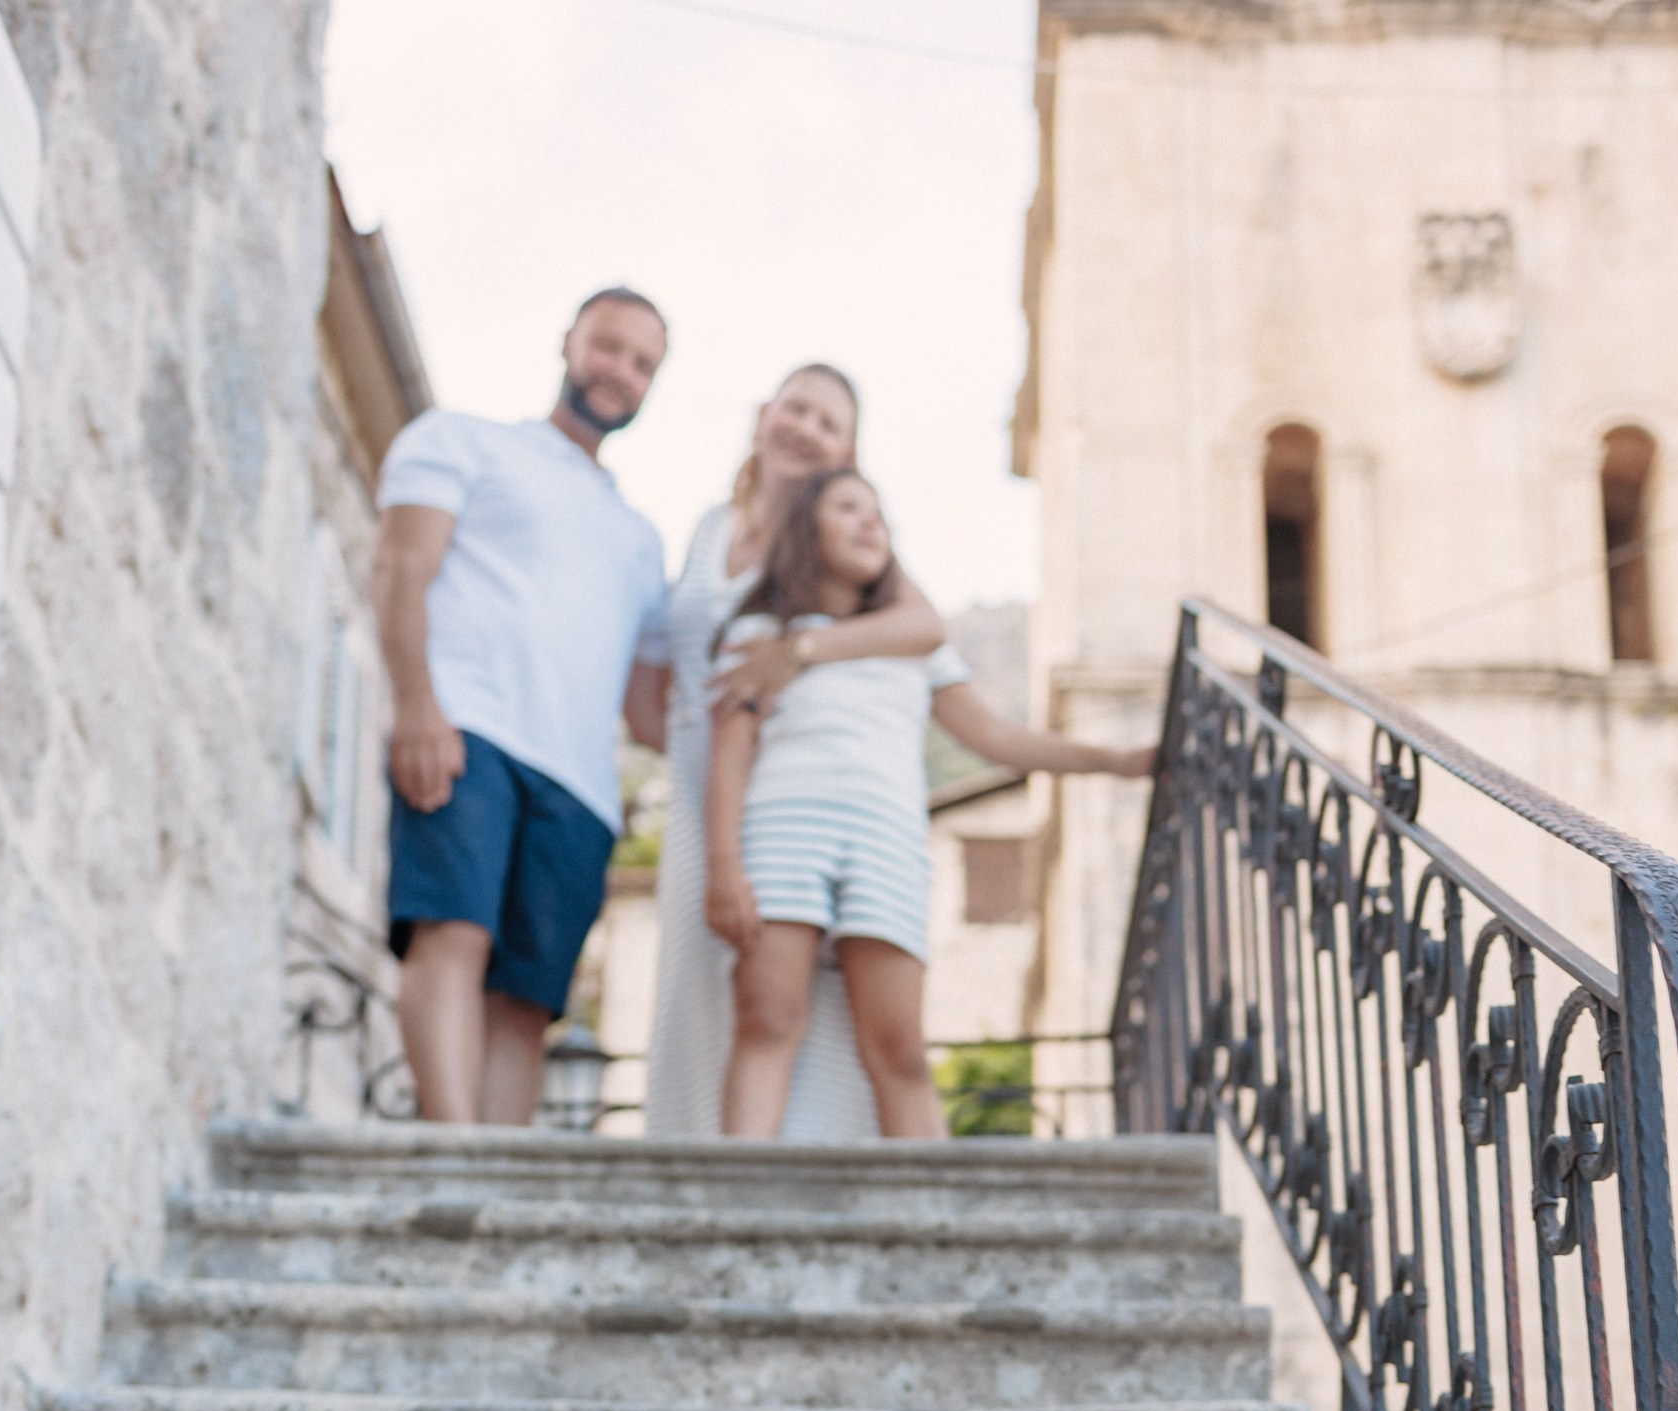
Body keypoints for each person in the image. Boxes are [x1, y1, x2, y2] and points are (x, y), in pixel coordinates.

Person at [703, 470, 1155, 1139]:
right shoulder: (762, 634)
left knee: (901, 1049)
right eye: (849, 508)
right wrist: (722, 866)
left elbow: (996, 737)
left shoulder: (917, 645)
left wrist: (1114, 763)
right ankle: (732, 1218)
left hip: (886, 840)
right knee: (767, 1017)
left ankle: (935, 1225)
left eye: (879, 515)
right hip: (784, 828)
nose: (869, 524)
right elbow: (731, 755)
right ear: (808, 527)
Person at [372, 288, 673, 1125]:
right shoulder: (461, 441)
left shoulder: (643, 541)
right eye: (609, 347)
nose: (621, 371)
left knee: (528, 1002)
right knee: (453, 937)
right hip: (468, 730)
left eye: (643, 363)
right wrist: (417, 707)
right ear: (570, 343)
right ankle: (449, 1151)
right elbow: (401, 570)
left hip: (580, 785)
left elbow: (650, 713)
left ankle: (499, 1176)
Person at [643, 363, 947, 1140]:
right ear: (763, 414)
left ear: (847, 453)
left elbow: (923, 628)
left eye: (828, 424)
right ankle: (705, 1180)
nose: (806, 430)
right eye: (797, 410)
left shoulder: (841, 539)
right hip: (701, 783)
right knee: (705, 1001)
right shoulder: (712, 525)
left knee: (820, 1019)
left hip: (790, 788)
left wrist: (798, 652)